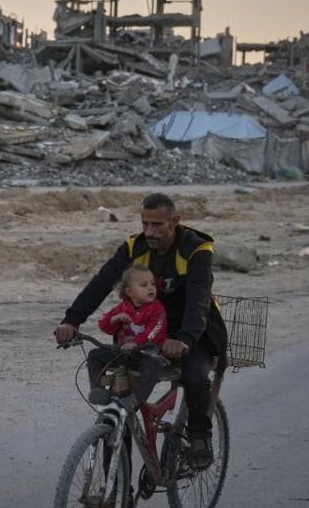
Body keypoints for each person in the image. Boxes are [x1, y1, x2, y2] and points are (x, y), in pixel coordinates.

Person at [55, 193, 228, 470]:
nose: (149, 231)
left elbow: (198, 300)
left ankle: (199, 437)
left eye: (157, 225)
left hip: (193, 332)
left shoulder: (195, 249)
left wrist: (183, 338)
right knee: (118, 394)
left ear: (175, 221)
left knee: (194, 374)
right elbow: (102, 283)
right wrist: (72, 320)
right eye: (145, 223)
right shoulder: (134, 247)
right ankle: (115, 479)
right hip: (145, 332)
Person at [86, 264, 168, 412]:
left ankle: (135, 399)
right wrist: (113, 320)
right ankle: (98, 390)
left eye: (152, 284)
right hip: (123, 353)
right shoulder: (123, 307)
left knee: (154, 366)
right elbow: (105, 327)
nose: (151, 288)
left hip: (146, 355)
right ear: (129, 292)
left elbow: (155, 331)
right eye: (144, 285)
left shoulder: (157, 309)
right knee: (94, 355)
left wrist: (136, 343)